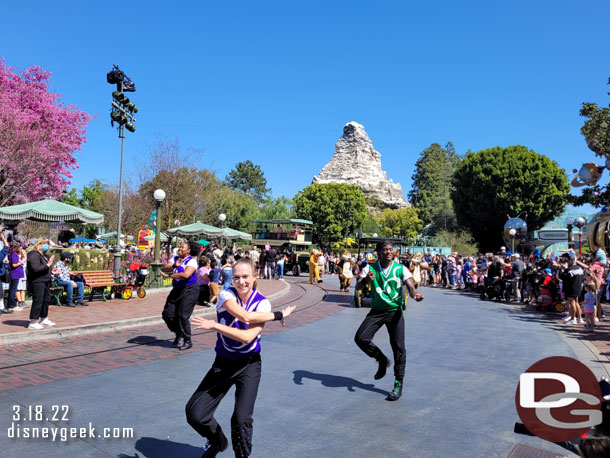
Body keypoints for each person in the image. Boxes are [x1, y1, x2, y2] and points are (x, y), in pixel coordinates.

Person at [186, 258, 296, 458]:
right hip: (223, 363)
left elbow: (247, 336)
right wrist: (278, 315)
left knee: (241, 419)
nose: (241, 281)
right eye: (236, 277)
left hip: (249, 365)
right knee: (195, 413)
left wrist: (214, 325)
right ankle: (217, 441)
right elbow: (244, 316)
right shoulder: (226, 294)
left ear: (255, 276)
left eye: (245, 277)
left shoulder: (262, 303)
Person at [355, 240, 424, 401]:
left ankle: (398, 383)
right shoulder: (370, 268)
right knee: (361, 338)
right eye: (385, 249)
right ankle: (382, 360)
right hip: (377, 311)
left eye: (391, 249)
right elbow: (358, 287)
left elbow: (410, 285)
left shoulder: (401, 269)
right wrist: (366, 280)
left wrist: (415, 295)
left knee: (399, 348)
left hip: (395, 312)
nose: (389, 252)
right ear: (379, 252)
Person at [161, 241, 202, 351]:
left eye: (182, 247)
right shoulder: (174, 259)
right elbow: (165, 268)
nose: (179, 249)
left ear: (188, 250)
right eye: (179, 247)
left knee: (182, 316)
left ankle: (187, 340)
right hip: (177, 290)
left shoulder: (192, 261)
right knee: (167, 314)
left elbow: (185, 275)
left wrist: (170, 275)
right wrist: (174, 265)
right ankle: (179, 332)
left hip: (190, 290)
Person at [27, 237, 55, 329]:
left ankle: (44, 318)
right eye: (43, 243)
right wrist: (48, 264)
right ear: (38, 244)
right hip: (37, 281)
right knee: (38, 300)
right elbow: (35, 268)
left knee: (46, 300)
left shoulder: (44, 255)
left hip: (46, 280)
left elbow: (46, 268)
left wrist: (52, 271)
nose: (45, 245)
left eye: (47, 243)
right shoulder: (33, 254)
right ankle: (33, 321)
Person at [558, 252, 584, 325]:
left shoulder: (570, 269)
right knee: (576, 302)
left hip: (571, 288)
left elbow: (562, 277)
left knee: (572, 303)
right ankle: (580, 318)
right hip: (578, 287)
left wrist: (562, 269)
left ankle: (573, 319)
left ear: (571, 261)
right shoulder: (579, 268)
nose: (568, 262)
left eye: (568, 261)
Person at [8, 242, 26, 311]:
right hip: (15, 274)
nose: (21, 248)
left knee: (13, 289)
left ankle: (12, 304)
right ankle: (12, 305)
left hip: (17, 274)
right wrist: (21, 262)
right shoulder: (14, 254)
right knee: (14, 289)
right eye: (20, 247)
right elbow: (14, 265)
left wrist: (21, 258)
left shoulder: (14, 254)